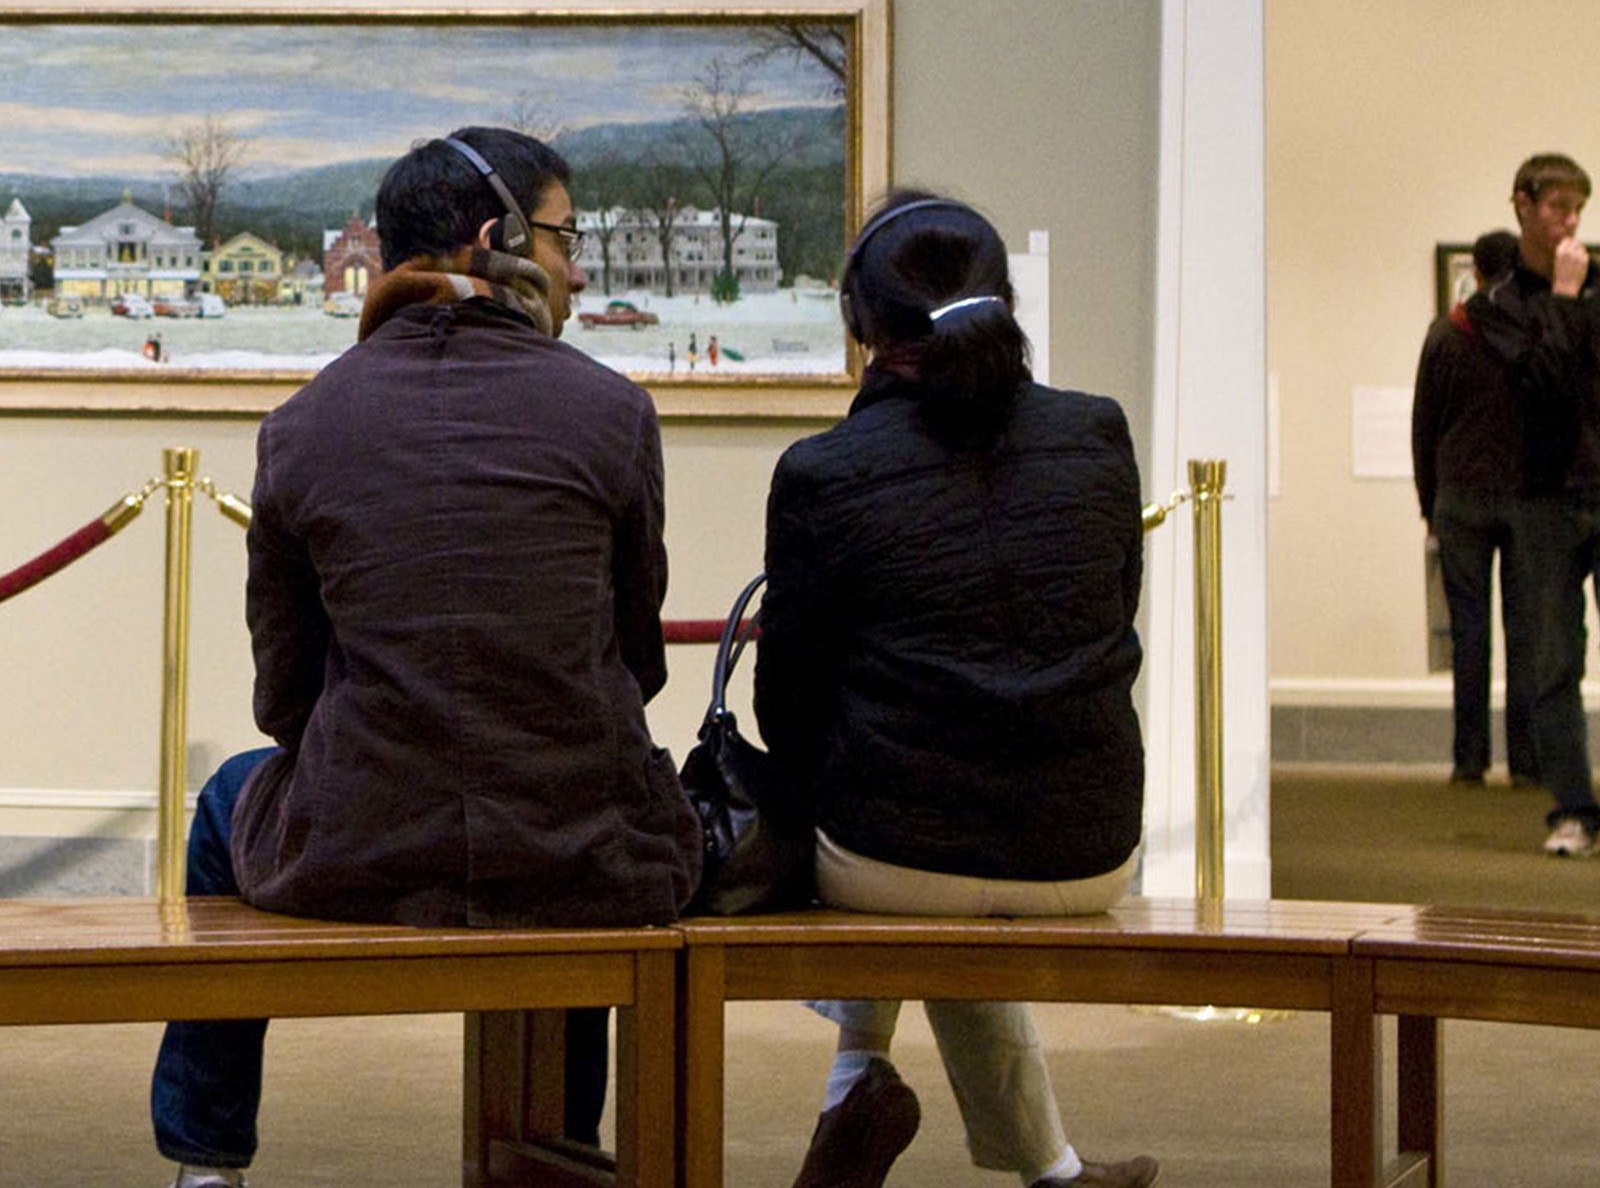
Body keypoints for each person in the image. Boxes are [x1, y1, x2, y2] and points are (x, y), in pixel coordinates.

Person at [149, 127, 700, 1188]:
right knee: (582, 786)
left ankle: (207, 1165)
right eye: (564, 236)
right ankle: (561, 1149)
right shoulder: (612, 411)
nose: (579, 267)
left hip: (362, 844)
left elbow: (284, 697)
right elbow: (637, 662)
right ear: (497, 240)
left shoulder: (303, 426)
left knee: (224, 802)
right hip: (578, 848)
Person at [756, 191, 1156, 1188]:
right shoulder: (1096, 433)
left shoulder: (822, 470)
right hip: (1091, 846)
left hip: (895, 855)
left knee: (912, 832)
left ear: (860, 325)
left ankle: (857, 1083)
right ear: (1006, 303)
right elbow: (1115, 618)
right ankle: (1048, 1171)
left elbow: (785, 710)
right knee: (952, 828)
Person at [1460, 153, 1600, 856]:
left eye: (1578, 207)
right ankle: (1574, 809)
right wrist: (1567, 299)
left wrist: (1577, 303)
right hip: (1542, 497)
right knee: (1552, 660)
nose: (1570, 220)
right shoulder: (1494, 305)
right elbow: (1545, 380)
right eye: (1557, 206)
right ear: (1522, 205)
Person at [1412, 229, 1537, 786]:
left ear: (1477, 273)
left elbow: (1424, 429)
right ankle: (1529, 760)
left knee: (1469, 632)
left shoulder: (1446, 333)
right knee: (1526, 631)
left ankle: (1469, 760)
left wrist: (1427, 503)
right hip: (1527, 500)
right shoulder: (1536, 333)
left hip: (1459, 499)